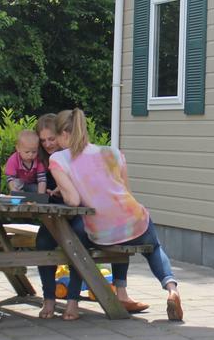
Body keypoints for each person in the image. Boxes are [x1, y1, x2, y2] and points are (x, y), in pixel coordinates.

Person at [48, 108, 183, 322]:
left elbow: (73, 201)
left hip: (101, 230)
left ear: (64, 134)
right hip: (134, 220)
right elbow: (125, 191)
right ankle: (171, 289)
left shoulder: (58, 159)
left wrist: (64, 189)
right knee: (154, 247)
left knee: (77, 241)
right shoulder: (113, 153)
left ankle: (72, 304)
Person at [32, 113, 141, 320]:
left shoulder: (78, 156)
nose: (47, 144)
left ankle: (74, 300)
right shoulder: (43, 160)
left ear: (62, 134)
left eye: (51, 139)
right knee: (43, 242)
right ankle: (49, 298)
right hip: (55, 215)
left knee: (79, 240)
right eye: (43, 140)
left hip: (84, 212)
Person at [4, 129, 47, 193]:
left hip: (31, 185)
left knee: (36, 189)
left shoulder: (38, 160)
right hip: (17, 184)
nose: (30, 155)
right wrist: (15, 192)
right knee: (17, 188)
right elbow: (10, 179)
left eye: (34, 152)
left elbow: (42, 179)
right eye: (27, 152)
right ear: (18, 148)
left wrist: (41, 196)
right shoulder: (13, 160)